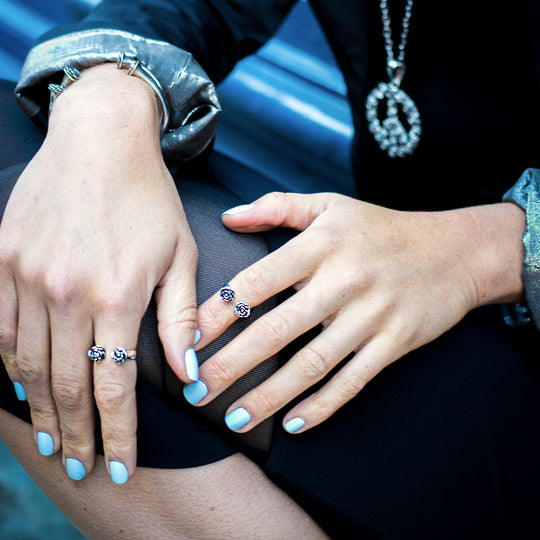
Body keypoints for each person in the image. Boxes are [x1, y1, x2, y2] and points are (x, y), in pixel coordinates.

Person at [0, 0, 540, 538]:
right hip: (378, 254)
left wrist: (488, 252)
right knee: (53, 223)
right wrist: (108, 99)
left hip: (508, 342)